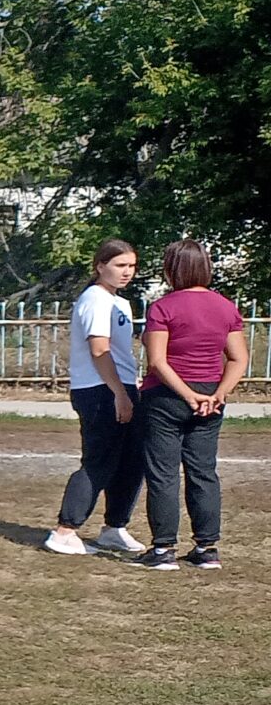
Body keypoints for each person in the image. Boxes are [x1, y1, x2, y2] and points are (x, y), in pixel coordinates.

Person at [135, 238, 250, 572]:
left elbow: (157, 361)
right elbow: (238, 358)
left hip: (167, 397)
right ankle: (207, 547)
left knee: (163, 473)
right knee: (203, 471)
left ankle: (163, 549)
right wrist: (218, 394)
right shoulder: (225, 307)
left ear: (171, 269)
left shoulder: (163, 308)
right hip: (210, 397)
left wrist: (187, 395)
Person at [45, 239, 146, 558]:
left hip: (123, 385)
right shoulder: (94, 299)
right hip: (99, 389)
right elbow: (99, 349)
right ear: (101, 266)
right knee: (99, 460)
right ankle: (65, 530)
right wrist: (119, 393)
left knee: (131, 460)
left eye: (131, 266)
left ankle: (115, 527)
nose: (127, 272)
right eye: (120, 265)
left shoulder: (120, 303)